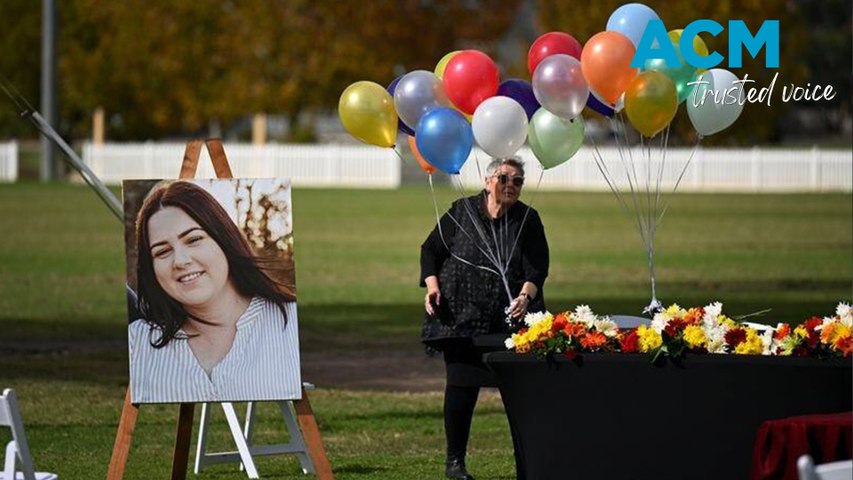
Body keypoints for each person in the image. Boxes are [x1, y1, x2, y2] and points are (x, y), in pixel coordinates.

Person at [420, 157, 549, 480]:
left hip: (508, 323)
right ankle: (454, 463)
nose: (511, 186)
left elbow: (538, 268)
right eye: (505, 178)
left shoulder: (527, 219)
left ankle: (527, 465)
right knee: (461, 388)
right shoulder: (461, 212)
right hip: (462, 319)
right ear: (488, 180)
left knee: (521, 397)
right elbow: (430, 250)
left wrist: (524, 297)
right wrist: (432, 287)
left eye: (518, 181)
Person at [128, 180, 301, 404]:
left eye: (194, 239)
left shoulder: (290, 326)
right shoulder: (137, 342)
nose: (180, 261)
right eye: (162, 252)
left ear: (223, 239)